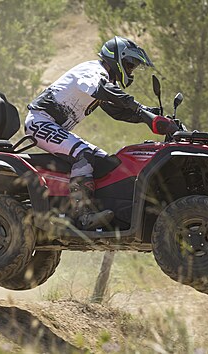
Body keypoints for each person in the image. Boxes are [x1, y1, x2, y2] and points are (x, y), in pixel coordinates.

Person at [25, 36, 178, 230]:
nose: (131, 71)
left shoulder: (102, 80)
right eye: (130, 65)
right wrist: (140, 110)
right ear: (118, 60)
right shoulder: (94, 72)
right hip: (40, 121)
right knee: (85, 156)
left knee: (105, 161)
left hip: (53, 126)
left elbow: (118, 111)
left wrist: (151, 114)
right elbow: (104, 90)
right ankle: (83, 215)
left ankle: (104, 212)